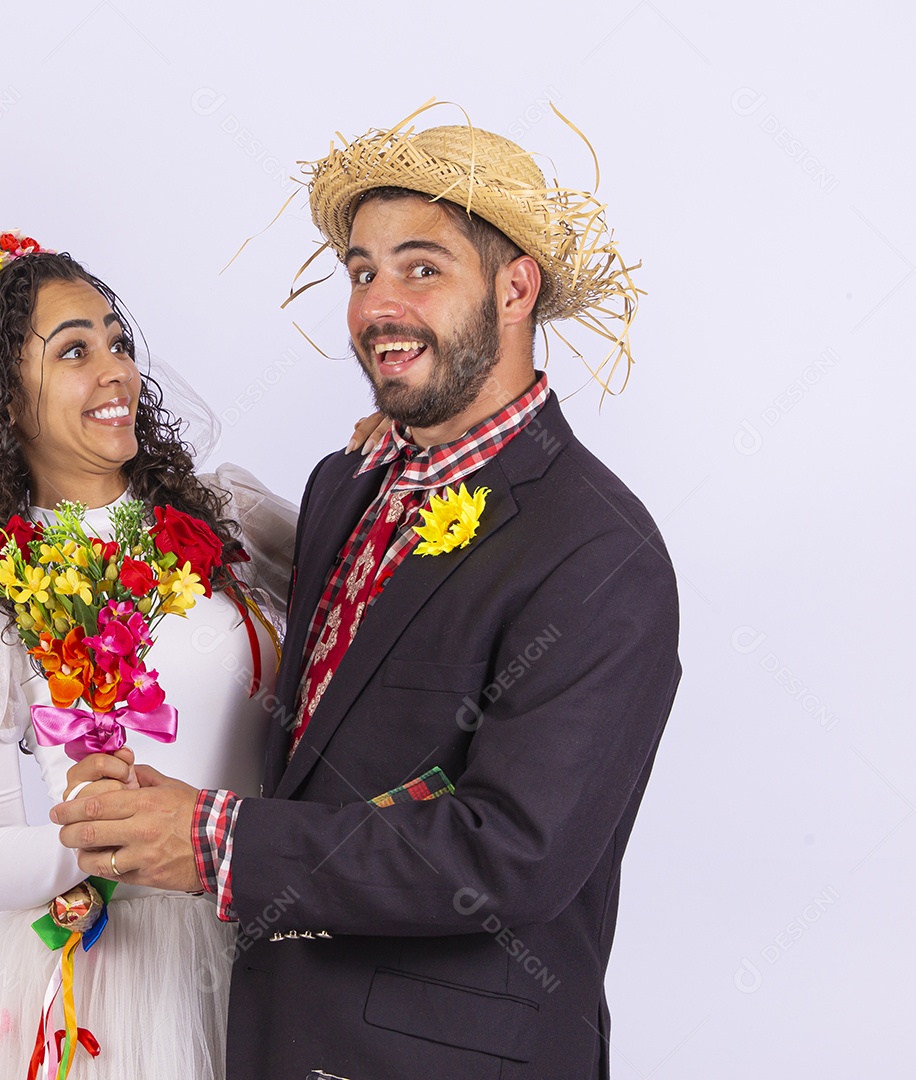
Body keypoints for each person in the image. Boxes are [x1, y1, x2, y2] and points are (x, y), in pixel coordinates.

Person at [51, 111, 681, 1077]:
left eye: (422, 268)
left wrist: (216, 843)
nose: (377, 306)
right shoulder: (343, 483)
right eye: (360, 271)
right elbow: (325, 749)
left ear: (518, 287)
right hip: (269, 1036)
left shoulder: (599, 552)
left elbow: (511, 854)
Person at [0, 229, 382, 1079]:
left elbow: (371, 601)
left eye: (117, 340)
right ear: (3, 402)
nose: (115, 368)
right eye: (74, 351)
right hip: (121, 973)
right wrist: (100, 844)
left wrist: (399, 462)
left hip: (276, 923)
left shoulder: (227, 515)